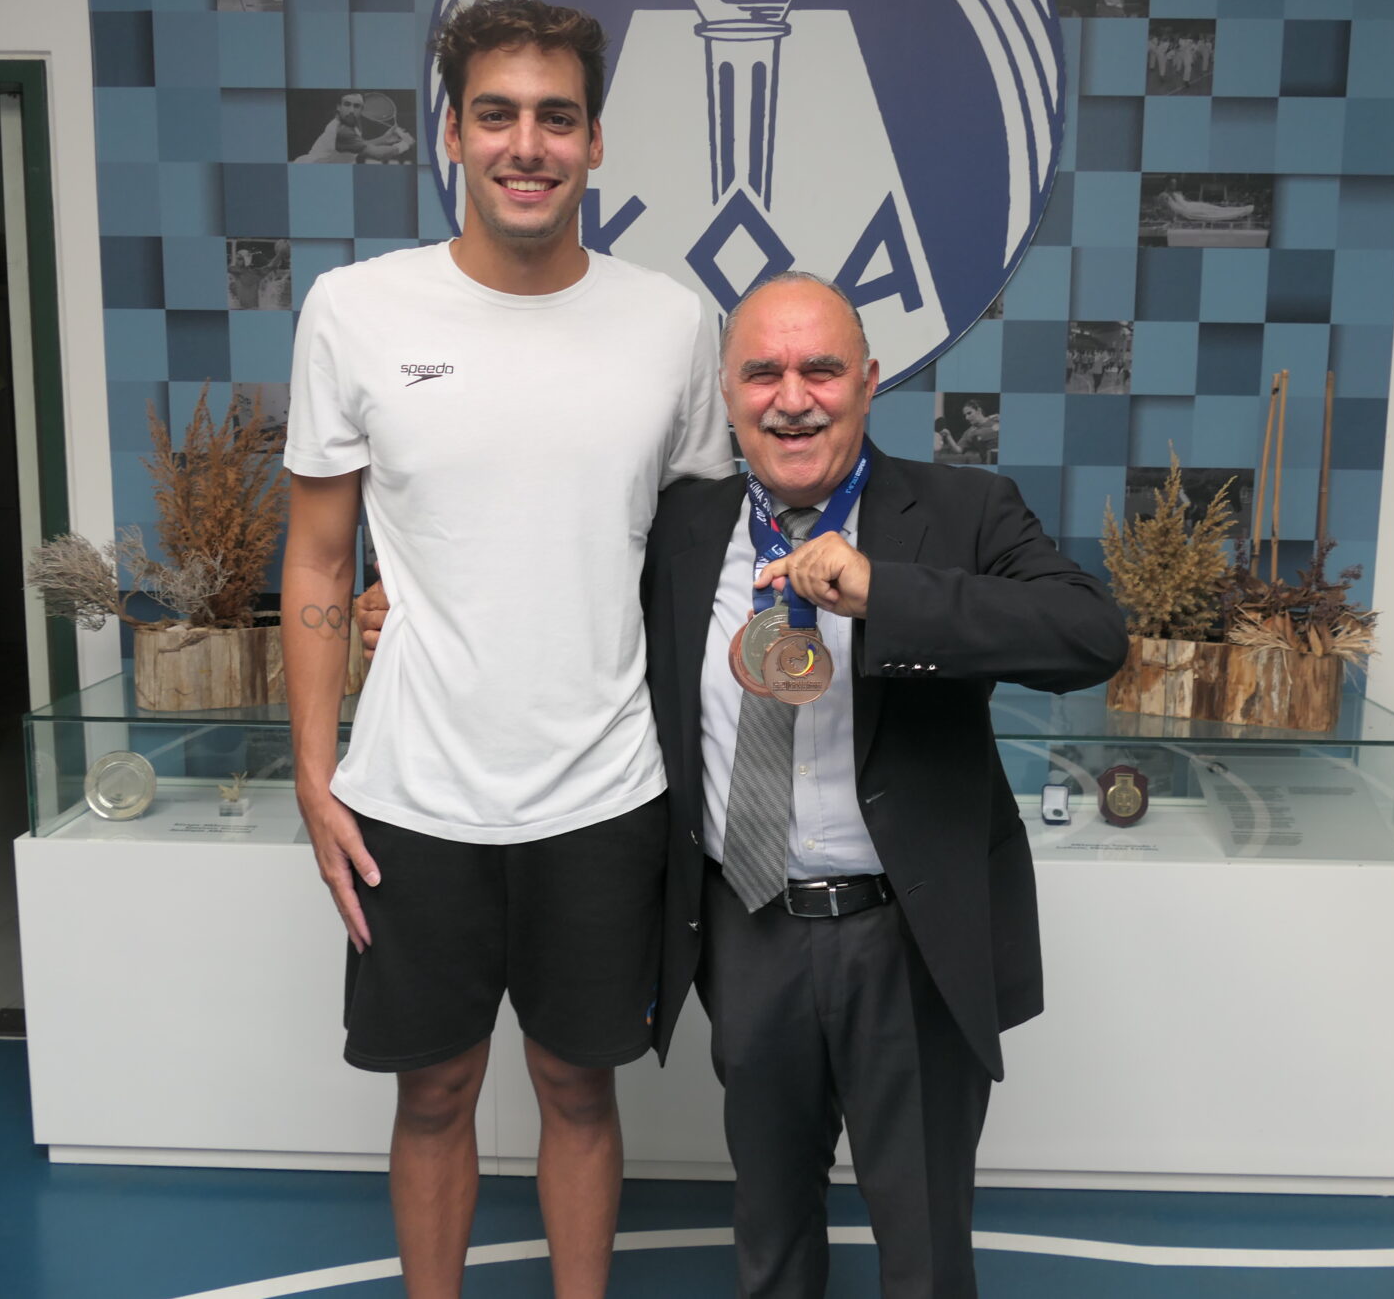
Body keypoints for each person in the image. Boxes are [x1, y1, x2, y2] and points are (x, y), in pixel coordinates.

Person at [360, 273, 1124, 1295]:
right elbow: (549, 592)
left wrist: (882, 590)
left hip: (909, 937)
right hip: (748, 927)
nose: (791, 399)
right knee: (768, 1237)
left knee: (925, 1249)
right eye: (762, 373)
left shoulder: (961, 510)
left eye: (820, 371)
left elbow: (1088, 635)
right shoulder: (676, 528)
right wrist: (409, 604)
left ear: (868, 381)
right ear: (725, 394)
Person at [278, 0, 733, 1299]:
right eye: (496, 115)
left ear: (595, 140)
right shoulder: (355, 311)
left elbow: (692, 562)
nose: (525, 144)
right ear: (451, 133)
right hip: (413, 792)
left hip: (605, 788)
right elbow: (319, 558)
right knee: (434, 1091)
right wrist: (314, 775)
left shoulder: (672, 325)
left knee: (577, 1086)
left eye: (555, 117)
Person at [295, 91, 416, 163]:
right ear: (338, 107)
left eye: (356, 106)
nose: (351, 110)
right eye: (347, 104)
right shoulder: (342, 131)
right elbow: (379, 155)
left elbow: (357, 147)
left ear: (362, 110)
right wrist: (405, 144)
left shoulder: (350, 127)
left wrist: (384, 139)